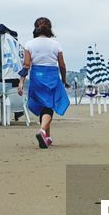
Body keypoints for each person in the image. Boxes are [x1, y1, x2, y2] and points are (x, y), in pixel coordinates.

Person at [18, 17, 71, 148]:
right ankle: (42, 131)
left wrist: (21, 82)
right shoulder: (55, 44)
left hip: (37, 76)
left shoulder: (29, 44)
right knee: (49, 106)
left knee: (43, 105)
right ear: (50, 28)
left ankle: (47, 137)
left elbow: (26, 65)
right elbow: (62, 65)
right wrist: (64, 80)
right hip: (52, 76)